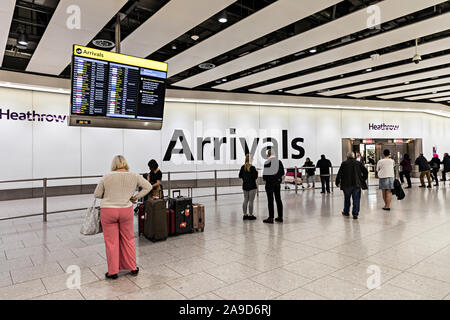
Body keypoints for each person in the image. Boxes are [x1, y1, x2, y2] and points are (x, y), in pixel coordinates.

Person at [94, 155, 151, 279]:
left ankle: (113, 272)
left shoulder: (107, 176)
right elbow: (148, 187)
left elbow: (97, 194)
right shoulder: (134, 176)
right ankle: (133, 268)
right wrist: (135, 197)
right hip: (126, 210)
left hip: (108, 211)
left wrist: (109, 194)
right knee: (128, 239)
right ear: (125, 163)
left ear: (113, 164)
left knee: (111, 242)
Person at [335, 152, 368, 219]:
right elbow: (365, 172)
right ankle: (355, 214)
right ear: (354, 156)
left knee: (347, 199)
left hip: (346, 185)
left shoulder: (344, 163)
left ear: (347, 157)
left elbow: (340, 173)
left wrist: (337, 182)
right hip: (357, 184)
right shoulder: (358, 163)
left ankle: (346, 211)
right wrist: (362, 179)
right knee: (356, 199)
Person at [262, 149, 285, 224]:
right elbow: (282, 172)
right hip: (277, 184)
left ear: (268, 154)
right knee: (278, 200)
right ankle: (280, 217)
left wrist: (269, 179)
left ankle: (271, 218)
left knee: (270, 201)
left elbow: (265, 175)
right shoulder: (279, 162)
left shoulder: (267, 162)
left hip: (269, 184)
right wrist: (278, 179)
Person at [238, 154, 258, 221]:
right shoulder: (252, 168)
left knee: (245, 200)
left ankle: (245, 214)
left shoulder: (242, 167)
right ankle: (251, 215)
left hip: (245, 186)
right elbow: (255, 177)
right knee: (251, 201)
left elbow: (240, 176)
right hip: (252, 186)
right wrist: (256, 171)